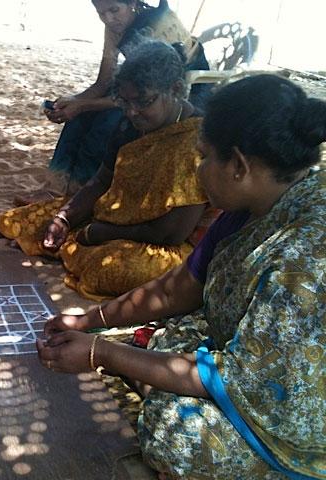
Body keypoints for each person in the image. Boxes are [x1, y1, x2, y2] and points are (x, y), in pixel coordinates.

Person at [37, 74, 326, 479]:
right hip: (246, 358)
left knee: (180, 435)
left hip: (292, 411)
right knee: (168, 335)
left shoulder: (305, 255)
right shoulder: (256, 203)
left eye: (204, 157)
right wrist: (89, 321)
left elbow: (244, 380)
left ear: (239, 165)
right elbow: (181, 288)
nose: (199, 169)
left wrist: (100, 353)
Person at [0, 41, 212, 301]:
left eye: (143, 101)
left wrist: (100, 233)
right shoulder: (130, 125)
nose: (132, 111)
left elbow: (171, 233)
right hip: (110, 219)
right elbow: (100, 182)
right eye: (125, 102)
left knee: (118, 268)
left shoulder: (195, 141)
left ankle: (72, 245)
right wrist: (64, 219)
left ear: (175, 89)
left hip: (162, 245)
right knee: (40, 214)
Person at [41, 0, 210, 192]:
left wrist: (83, 105)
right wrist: (75, 101)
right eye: (101, 13)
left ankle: (81, 188)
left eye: (114, 10)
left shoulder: (154, 28)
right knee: (78, 117)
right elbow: (103, 82)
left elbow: (142, 95)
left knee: (108, 123)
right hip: (141, 88)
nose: (108, 19)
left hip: (180, 87)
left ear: (132, 4)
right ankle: (55, 186)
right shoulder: (114, 27)